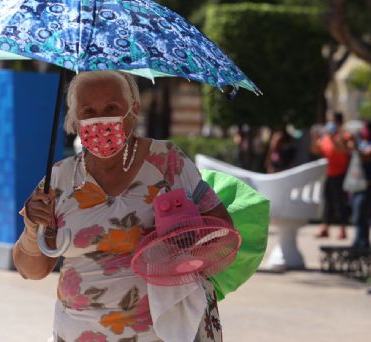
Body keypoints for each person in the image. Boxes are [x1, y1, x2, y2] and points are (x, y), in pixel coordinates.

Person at [12, 71, 233, 341]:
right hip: (76, 332)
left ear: (134, 110)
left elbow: (222, 233)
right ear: (74, 119)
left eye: (111, 108)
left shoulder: (168, 162)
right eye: (88, 111)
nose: (99, 119)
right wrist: (32, 227)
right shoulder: (60, 178)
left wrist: (177, 244)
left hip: (161, 332)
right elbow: (30, 270)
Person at [312, 112, 352, 239]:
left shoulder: (345, 136)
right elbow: (315, 150)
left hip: (340, 174)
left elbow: (345, 151)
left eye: (332, 121)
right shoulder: (325, 138)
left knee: (340, 202)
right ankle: (325, 227)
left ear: (339, 123)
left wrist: (336, 138)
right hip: (327, 174)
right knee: (327, 202)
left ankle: (343, 228)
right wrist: (315, 138)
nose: (329, 124)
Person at [350, 120, 371, 248]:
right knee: (356, 216)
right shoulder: (363, 142)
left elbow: (364, 156)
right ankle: (358, 242)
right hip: (357, 184)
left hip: (369, 185)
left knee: (361, 214)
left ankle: (363, 243)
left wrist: (355, 144)